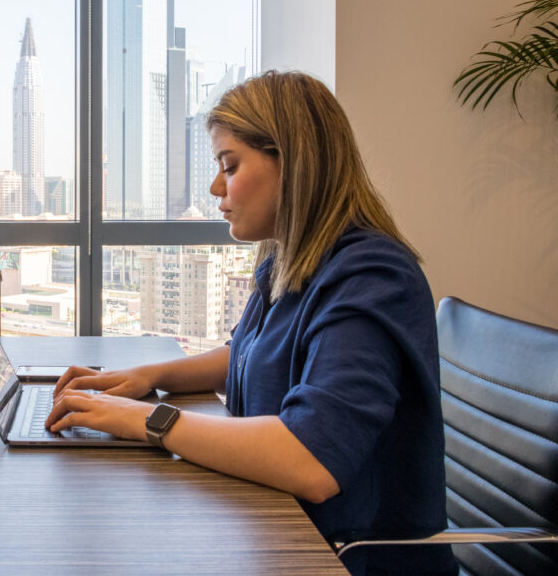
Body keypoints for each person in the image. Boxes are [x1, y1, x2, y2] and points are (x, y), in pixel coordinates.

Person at [45, 71, 457, 576]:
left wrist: (148, 421)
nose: (216, 186)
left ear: (293, 162)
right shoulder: (290, 259)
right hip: (274, 533)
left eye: (229, 165)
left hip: (344, 558)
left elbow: (312, 459)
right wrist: (151, 378)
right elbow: (247, 351)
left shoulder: (372, 276)